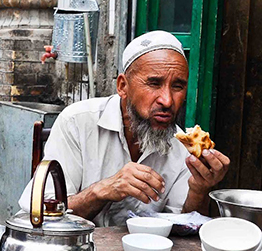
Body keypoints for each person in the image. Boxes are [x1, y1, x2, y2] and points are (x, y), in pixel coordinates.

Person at [18, 30, 230, 226]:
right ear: (122, 86)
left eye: (177, 86)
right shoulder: (77, 122)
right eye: (154, 83)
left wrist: (199, 190)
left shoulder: (182, 149)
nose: (167, 100)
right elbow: (38, 214)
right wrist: (101, 191)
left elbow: (185, 227)